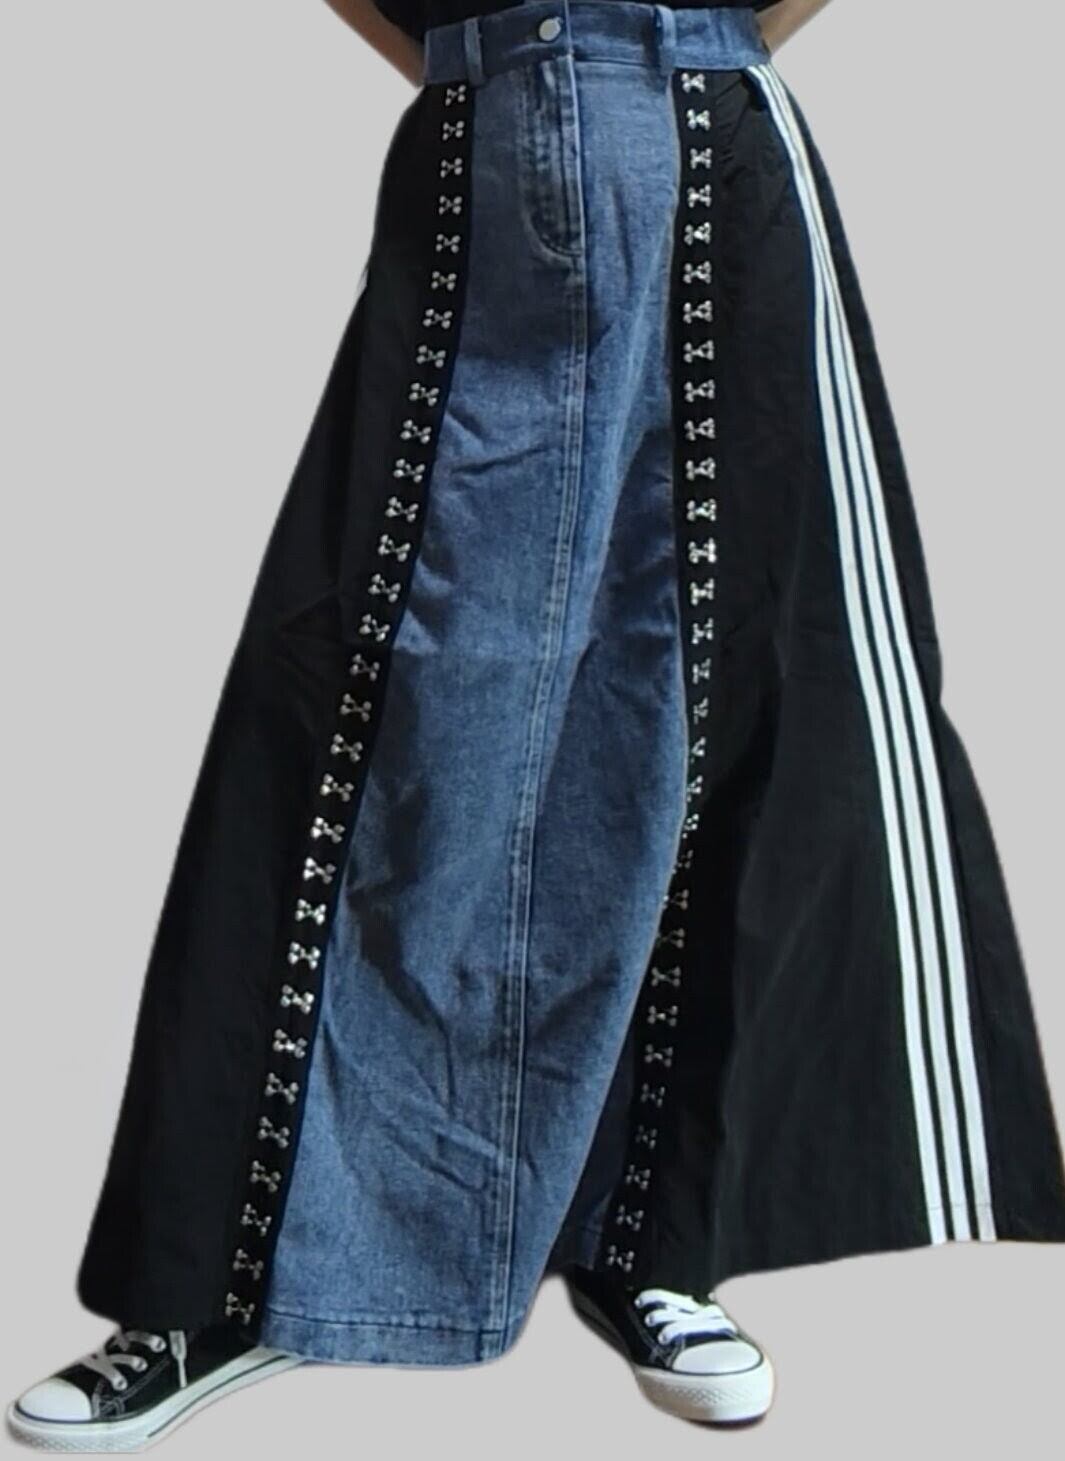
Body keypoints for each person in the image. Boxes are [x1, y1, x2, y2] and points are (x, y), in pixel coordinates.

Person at [7, 0, 1065, 1450]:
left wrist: (661, 41)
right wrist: (506, 56)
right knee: (348, 705)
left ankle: (656, 1241)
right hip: (485, 140)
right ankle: (227, 1286)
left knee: (716, 701)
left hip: (711, 142)